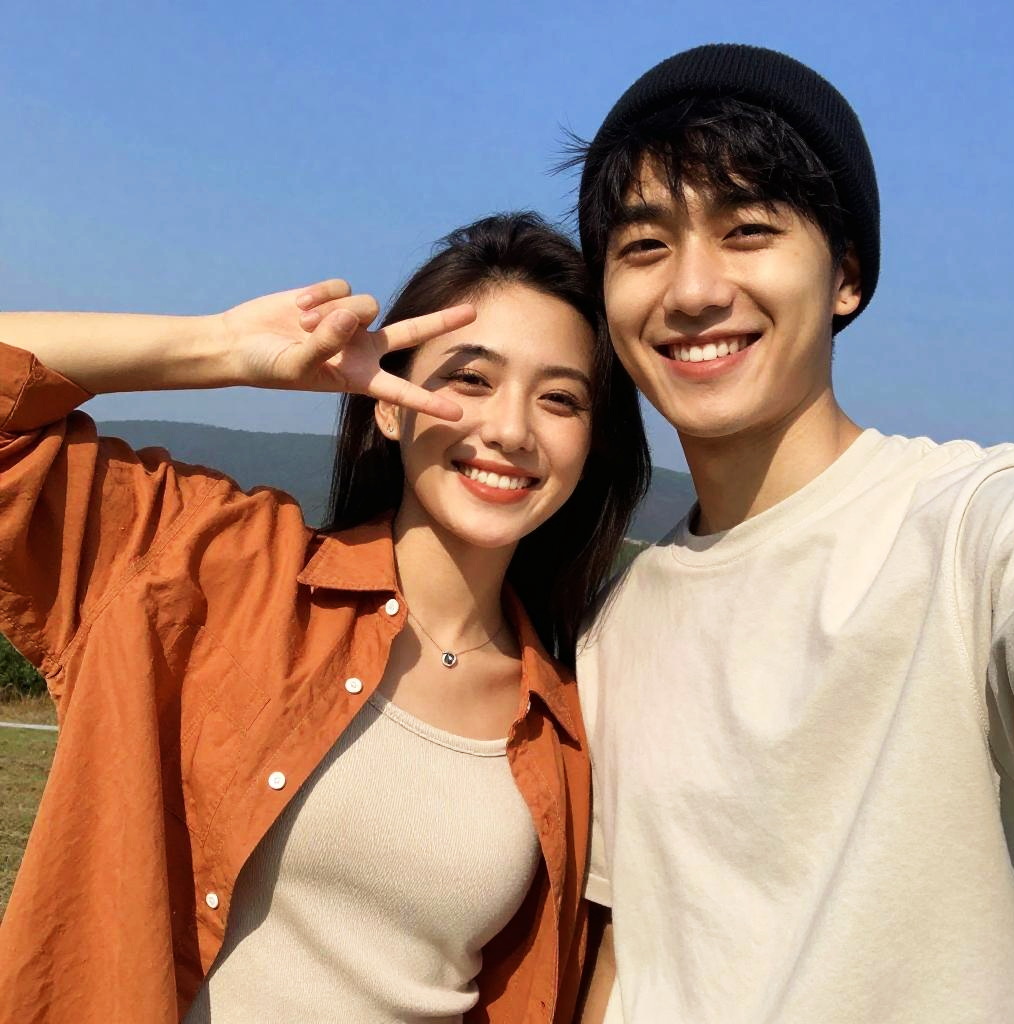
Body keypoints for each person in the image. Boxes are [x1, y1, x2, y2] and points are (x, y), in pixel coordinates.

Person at [0, 212, 650, 1023]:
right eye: (471, 380)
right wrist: (223, 347)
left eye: (559, 398)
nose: (511, 429)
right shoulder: (211, 568)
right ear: (387, 405)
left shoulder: (569, 728)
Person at [569, 44, 1014, 1023]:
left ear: (846, 274)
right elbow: (632, 945)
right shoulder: (616, 622)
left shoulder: (967, 528)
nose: (692, 290)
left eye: (747, 231)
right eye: (644, 246)